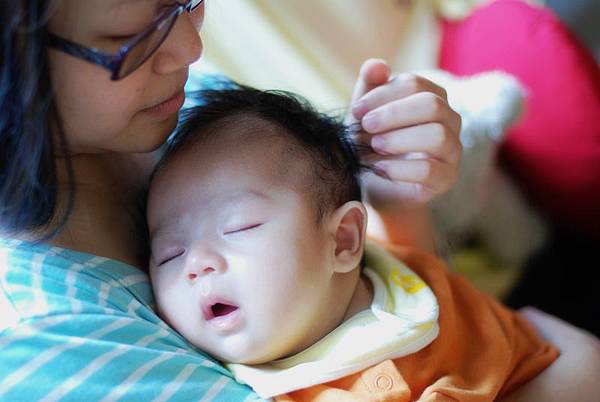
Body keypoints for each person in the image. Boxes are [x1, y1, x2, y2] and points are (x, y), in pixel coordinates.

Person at [0, 0, 597, 401]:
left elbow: (361, 281)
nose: (188, 47)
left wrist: (397, 202)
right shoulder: (47, 337)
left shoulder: (192, 111)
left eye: (181, 3)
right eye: (128, 34)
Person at [200, 0, 600, 334]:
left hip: (482, 264)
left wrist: (395, 200)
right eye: (169, 255)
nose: (185, 40)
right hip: (453, 294)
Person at [146, 84, 559, 401]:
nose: (195, 262)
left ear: (343, 241)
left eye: (239, 227)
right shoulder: (261, 388)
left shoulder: (391, 266)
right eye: (168, 254)